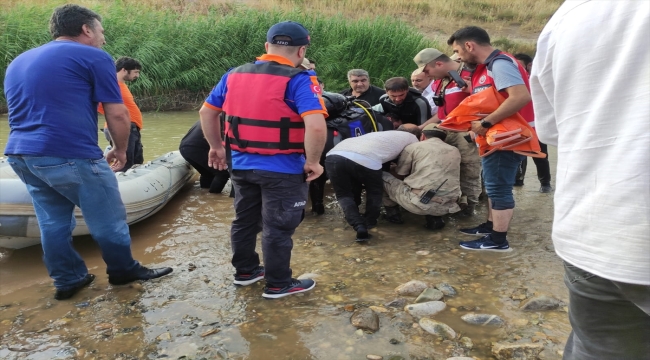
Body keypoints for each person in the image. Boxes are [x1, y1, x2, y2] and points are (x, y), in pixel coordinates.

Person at [3, 4, 172, 300]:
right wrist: (120, 148)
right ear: (86, 29)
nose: (103, 39)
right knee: (109, 216)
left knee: (53, 220)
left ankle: (68, 280)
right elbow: (118, 114)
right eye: (101, 32)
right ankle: (123, 271)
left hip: (20, 154)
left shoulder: (19, 60)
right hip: (70, 153)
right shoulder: (93, 56)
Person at [531, 1, 650, 358]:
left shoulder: (571, 13)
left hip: (592, 231)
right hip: (600, 235)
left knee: (597, 347)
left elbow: (552, 129)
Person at [199, 21, 327, 299]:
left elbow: (207, 113)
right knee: (277, 227)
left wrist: (216, 147)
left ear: (267, 47)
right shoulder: (300, 79)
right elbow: (316, 126)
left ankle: (246, 272)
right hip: (282, 169)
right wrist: (315, 162)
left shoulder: (233, 75)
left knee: (244, 220)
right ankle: (279, 284)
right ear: (302, 50)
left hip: (242, 167)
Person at [448, 26, 533, 251]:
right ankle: (490, 226)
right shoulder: (487, 67)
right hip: (498, 136)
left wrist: (485, 123)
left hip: (507, 137)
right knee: (492, 183)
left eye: (458, 51)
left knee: (498, 187)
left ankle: (498, 240)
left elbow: (520, 96)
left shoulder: (500, 64)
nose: (457, 57)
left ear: (469, 45)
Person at [414, 48, 482, 215]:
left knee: (469, 170)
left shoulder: (472, 73)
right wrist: (424, 128)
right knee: (440, 167)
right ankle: (445, 206)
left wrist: (478, 126)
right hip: (444, 129)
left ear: (438, 63)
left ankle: (468, 209)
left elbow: (485, 102)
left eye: (428, 71)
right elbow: (442, 111)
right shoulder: (440, 79)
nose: (427, 75)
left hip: (465, 131)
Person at [325, 129, 419, 241]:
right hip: (367, 158)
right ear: (421, 136)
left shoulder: (383, 135)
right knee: (374, 191)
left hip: (334, 155)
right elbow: (408, 164)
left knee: (343, 194)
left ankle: (358, 225)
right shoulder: (414, 139)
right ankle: (369, 222)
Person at [382, 124, 461, 230]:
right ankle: (434, 219)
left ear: (422, 136)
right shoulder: (455, 150)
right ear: (444, 138)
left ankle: (393, 216)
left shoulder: (413, 147)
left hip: (421, 203)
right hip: (449, 204)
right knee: (433, 185)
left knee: (382, 177)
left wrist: (392, 169)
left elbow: (399, 175)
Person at [513, 53, 552, 193]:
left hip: (536, 125)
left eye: (519, 66)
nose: (516, 68)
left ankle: (545, 183)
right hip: (518, 125)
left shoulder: (536, 81)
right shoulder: (512, 82)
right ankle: (518, 179)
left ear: (529, 65)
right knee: (519, 154)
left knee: (540, 155)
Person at [98, 57, 144, 172]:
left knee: (136, 161)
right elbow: (98, 104)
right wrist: (114, 118)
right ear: (124, 70)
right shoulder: (112, 85)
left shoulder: (120, 85)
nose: (137, 76)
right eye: (136, 72)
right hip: (123, 127)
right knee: (125, 164)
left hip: (130, 128)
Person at [179, 120, 231, 194]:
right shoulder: (226, 119)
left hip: (184, 148)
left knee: (207, 173)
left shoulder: (211, 115)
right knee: (222, 173)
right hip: (196, 148)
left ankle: (204, 194)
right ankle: (213, 197)